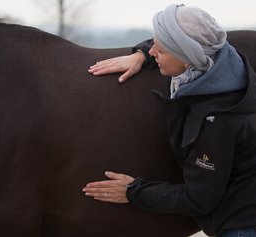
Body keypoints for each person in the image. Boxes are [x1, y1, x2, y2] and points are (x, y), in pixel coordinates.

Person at [82, 4, 256, 237]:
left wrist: (133, 191)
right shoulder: (228, 65)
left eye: (160, 51)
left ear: (187, 59)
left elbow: (198, 199)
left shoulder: (215, 122)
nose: (153, 52)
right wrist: (140, 54)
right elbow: (191, 36)